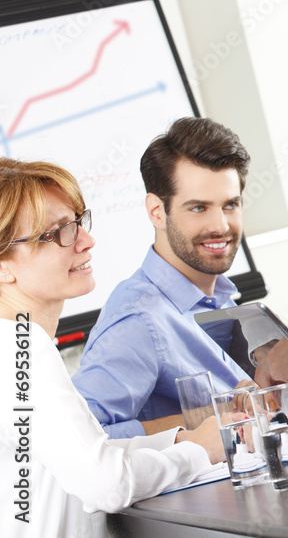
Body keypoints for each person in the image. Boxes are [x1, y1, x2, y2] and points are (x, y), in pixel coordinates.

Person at [0, 158, 222, 538]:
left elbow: (81, 457)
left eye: (78, 222)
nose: (86, 240)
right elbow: (105, 485)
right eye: (57, 233)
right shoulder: (23, 351)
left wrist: (180, 439)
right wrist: (200, 453)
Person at [73, 117, 258, 438]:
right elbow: (81, 439)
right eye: (199, 208)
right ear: (157, 211)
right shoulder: (138, 320)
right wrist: (203, 419)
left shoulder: (221, 296)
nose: (221, 225)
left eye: (230, 205)